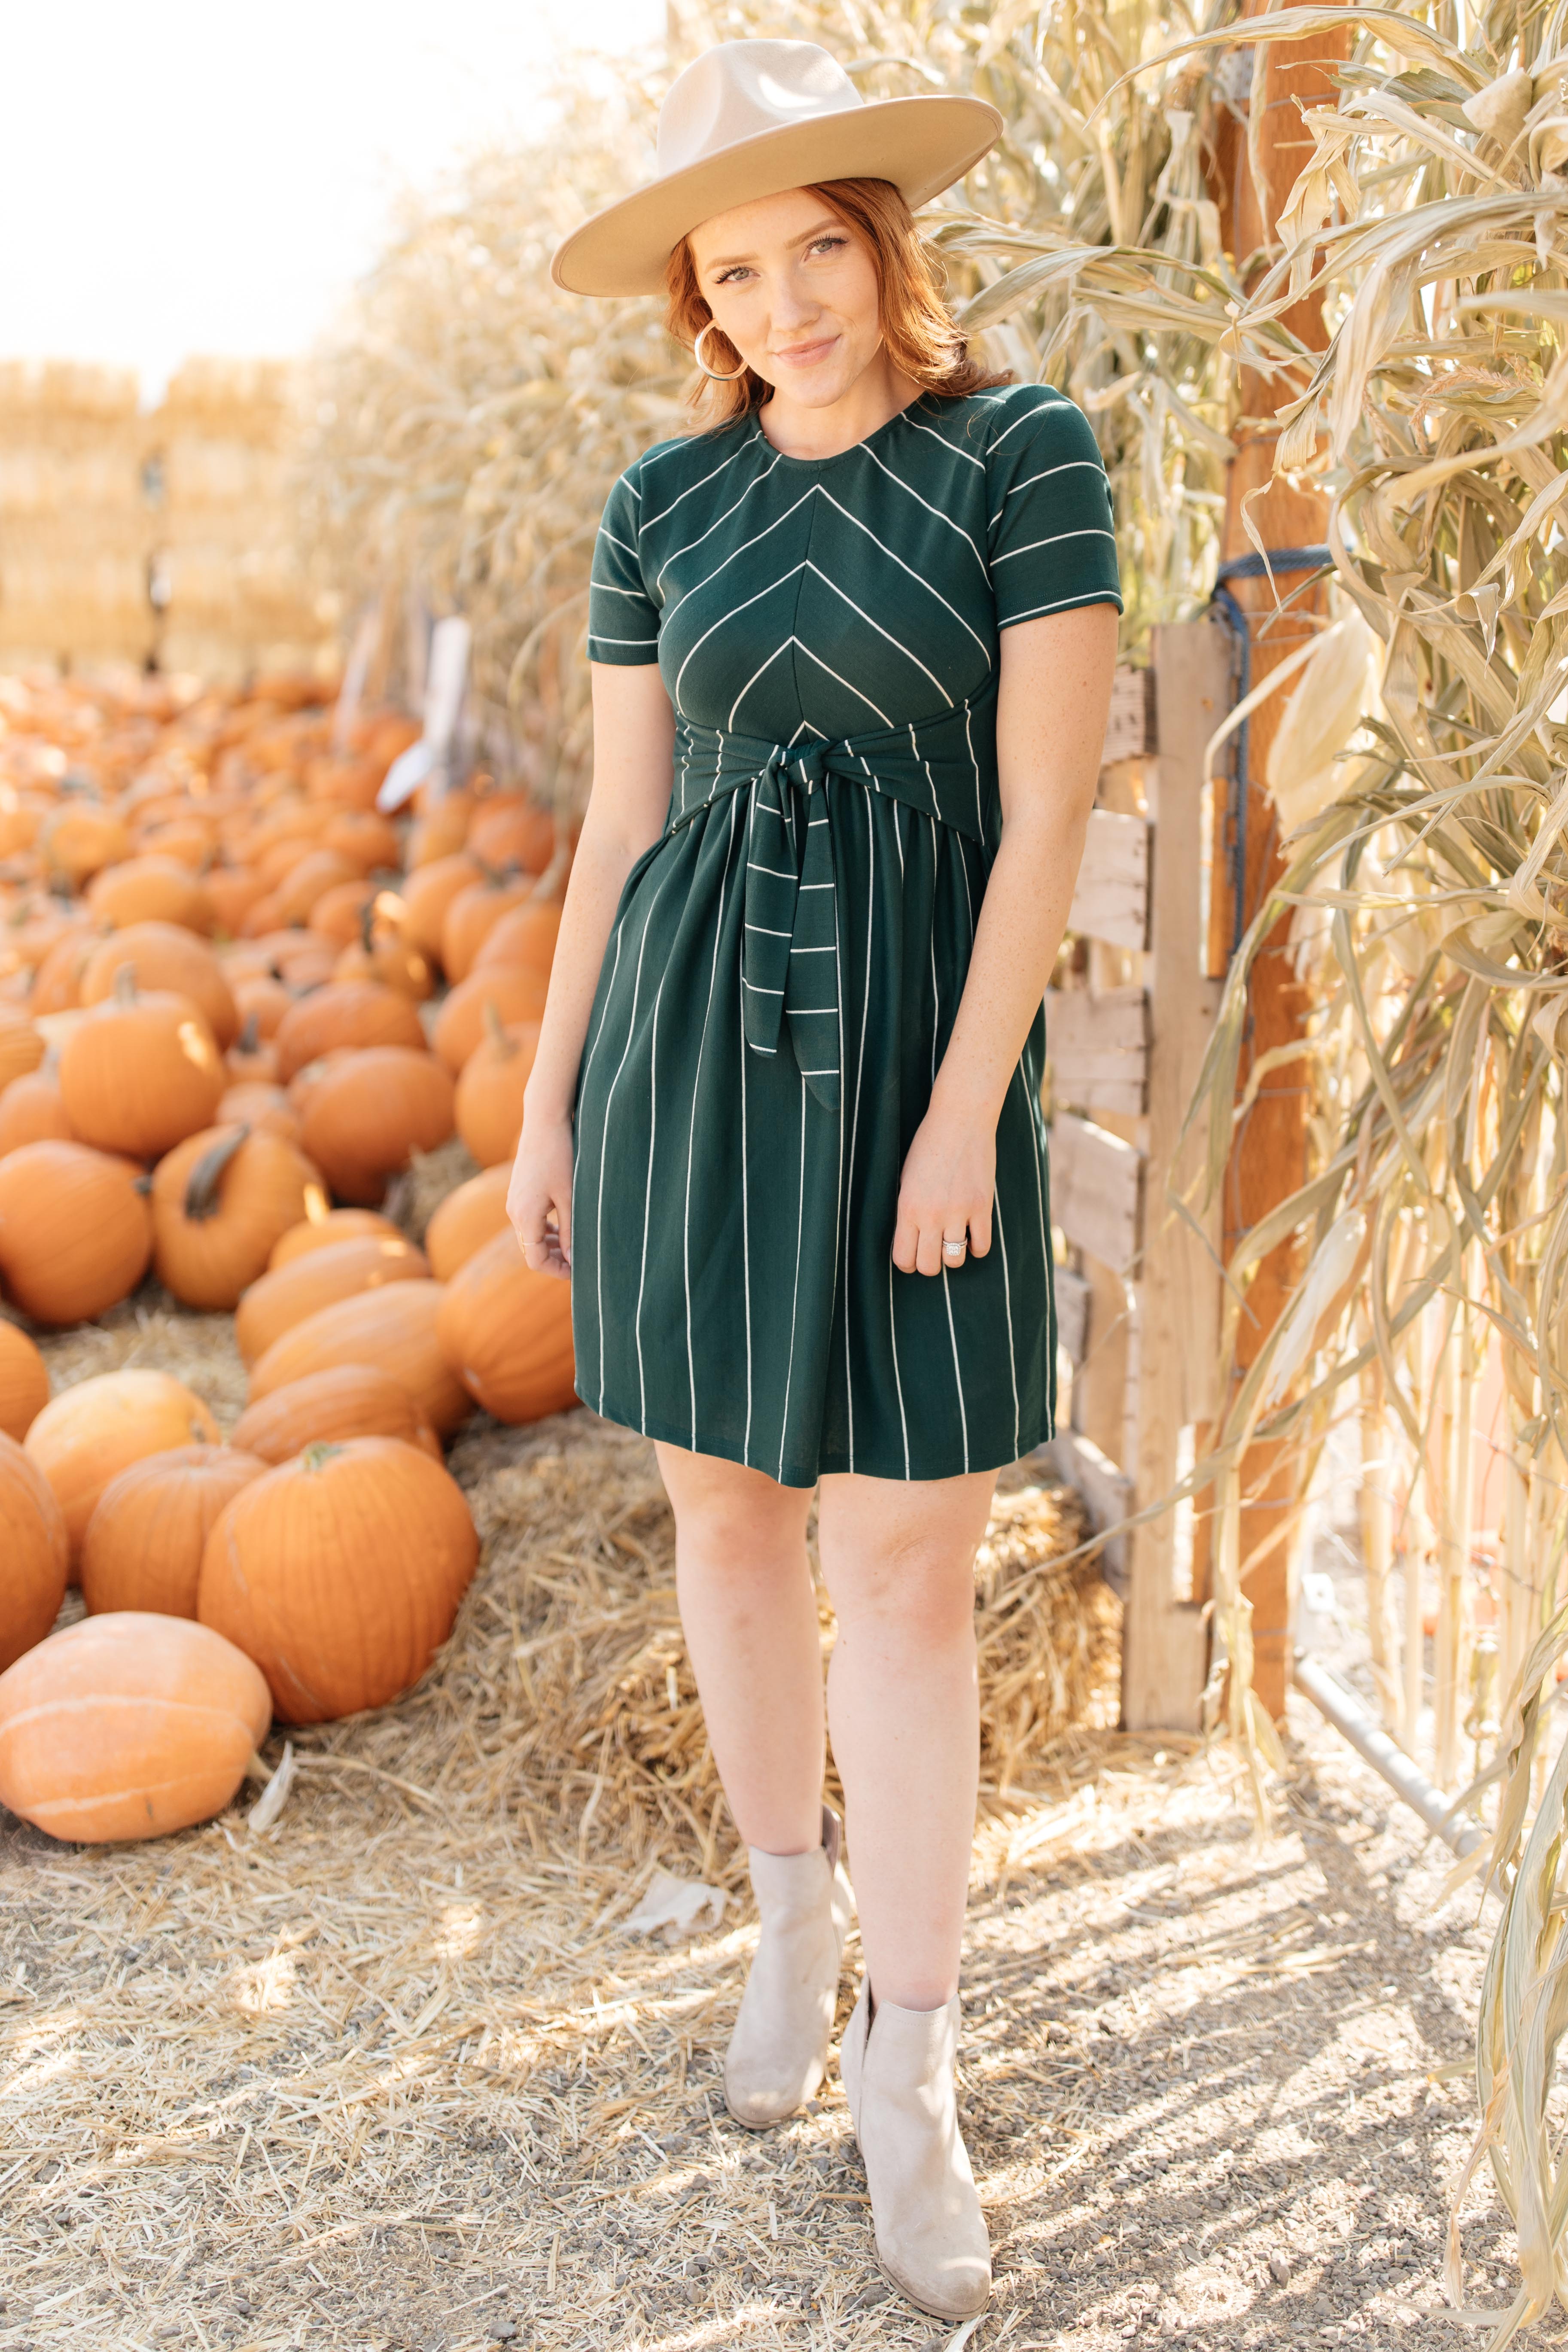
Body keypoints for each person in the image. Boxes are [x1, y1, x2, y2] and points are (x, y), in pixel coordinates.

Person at [507, 36, 1119, 2322]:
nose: (785, 304)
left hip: (919, 1053)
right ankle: (785, 1927)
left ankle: (911, 2064)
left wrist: (964, 1112)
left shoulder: (1020, 455)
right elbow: (618, 829)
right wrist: (549, 1103)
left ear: (884, 239)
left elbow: (1045, 815)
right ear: (699, 298)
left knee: (913, 1566)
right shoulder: (661, 505)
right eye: (735, 273)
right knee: (726, 1512)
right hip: (690, 1049)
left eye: (817, 249)